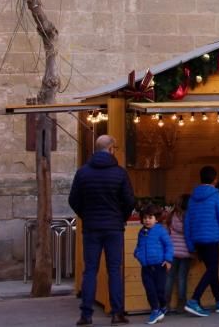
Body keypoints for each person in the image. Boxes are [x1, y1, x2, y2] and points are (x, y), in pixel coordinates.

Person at [68, 134, 136, 326]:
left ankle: (86, 315)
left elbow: (73, 200)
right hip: (114, 228)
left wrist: (86, 216)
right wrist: (120, 217)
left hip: (91, 228)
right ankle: (116, 313)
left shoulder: (82, 172)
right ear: (111, 149)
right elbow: (130, 200)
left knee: (90, 270)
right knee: (114, 270)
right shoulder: (119, 173)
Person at [183, 165, 219, 317]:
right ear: (215, 179)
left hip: (198, 239)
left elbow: (187, 222)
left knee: (212, 270)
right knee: (212, 270)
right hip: (211, 239)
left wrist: (190, 244)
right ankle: (194, 300)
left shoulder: (192, 197)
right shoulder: (215, 195)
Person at [134, 204, 174, 325]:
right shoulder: (141, 232)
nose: (147, 220)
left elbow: (169, 246)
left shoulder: (161, 231)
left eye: (150, 217)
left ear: (156, 219)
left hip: (159, 266)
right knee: (150, 290)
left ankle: (163, 306)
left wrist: (168, 260)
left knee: (160, 290)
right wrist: (138, 255)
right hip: (146, 267)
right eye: (145, 218)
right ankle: (155, 310)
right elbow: (139, 247)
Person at [164, 194, 193, 314]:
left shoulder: (172, 216)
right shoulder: (190, 218)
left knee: (169, 278)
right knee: (182, 278)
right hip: (186, 253)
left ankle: (165, 304)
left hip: (172, 252)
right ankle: (181, 304)